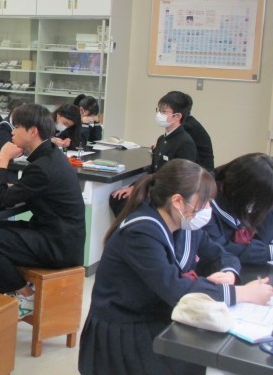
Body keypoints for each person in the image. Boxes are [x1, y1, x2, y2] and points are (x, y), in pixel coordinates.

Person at [79, 159, 273, 375]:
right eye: (204, 202)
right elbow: (176, 289)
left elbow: (222, 255)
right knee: (201, 363)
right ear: (178, 202)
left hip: (157, 316)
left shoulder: (185, 226)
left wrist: (228, 272)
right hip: (125, 333)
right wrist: (241, 293)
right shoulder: (140, 232)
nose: (208, 210)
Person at [0, 104, 85, 319]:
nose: (12, 132)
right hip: (63, 237)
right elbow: (31, 188)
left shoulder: (41, 167)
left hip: (57, 245)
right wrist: (9, 185)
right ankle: (20, 289)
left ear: (33, 131)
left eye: (16, 127)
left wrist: (2, 159)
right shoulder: (51, 156)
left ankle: (23, 294)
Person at [110, 91, 198, 215]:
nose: (159, 114)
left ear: (177, 116)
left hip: (166, 195)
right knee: (117, 197)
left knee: (123, 201)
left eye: (164, 111)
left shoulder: (185, 142)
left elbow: (179, 180)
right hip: (155, 188)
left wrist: (141, 191)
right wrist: (134, 187)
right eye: (159, 110)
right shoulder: (162, 139)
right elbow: (153, 170)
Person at [203, 153, 273, 265]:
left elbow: (264, 236)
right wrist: (267, 252)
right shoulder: (203, 200)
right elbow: (219, 249)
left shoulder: (249, 195)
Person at [172, 91, 215, 172]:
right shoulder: (188, 122)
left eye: (165, 110)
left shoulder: (187, 127)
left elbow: (175, 152)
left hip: (201, 174)